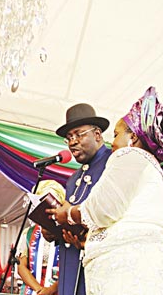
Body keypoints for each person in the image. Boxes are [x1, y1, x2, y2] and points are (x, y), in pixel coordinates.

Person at [51, 87, 163, 294]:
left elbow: (102, 210)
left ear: (132, 138)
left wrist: (68, 214)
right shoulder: (152, 168)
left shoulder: (128, 156)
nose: (113, 142)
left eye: (116, 135)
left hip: (126, 273)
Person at [46, 103, 112, 295]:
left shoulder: (114, 163)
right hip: (70, 260)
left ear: (97, 134)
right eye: (69, 138)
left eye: (78, 134)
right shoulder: (74, 178)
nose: (72, 142)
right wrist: (52, 230)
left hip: (98, 262)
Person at [17, 180, 64, 295]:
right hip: (34, 289)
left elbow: (70, 268)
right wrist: (40, 290)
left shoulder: (66, 231)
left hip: (59, 288)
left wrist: (50, 291)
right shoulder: (28, 233)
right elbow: (21, 267)